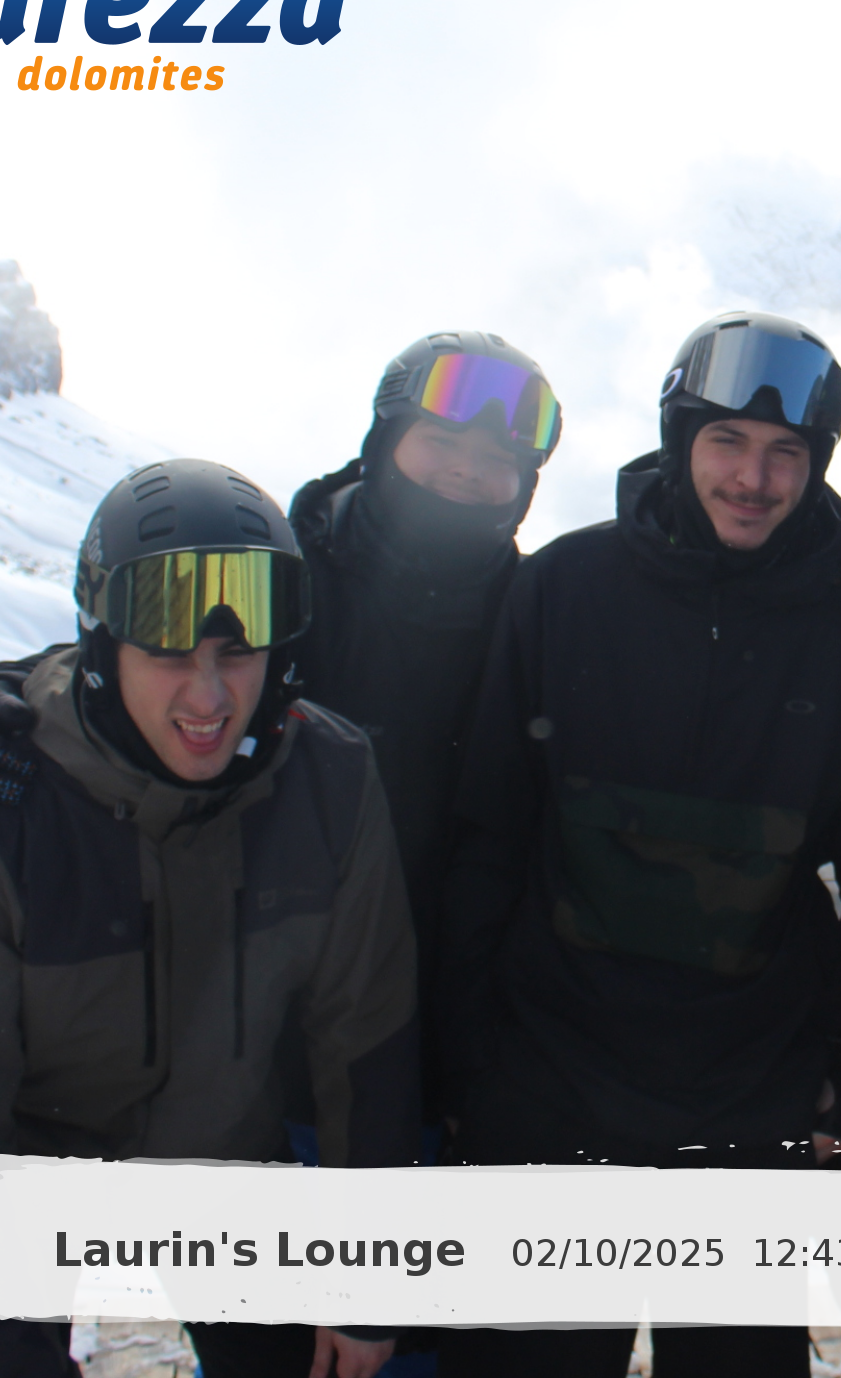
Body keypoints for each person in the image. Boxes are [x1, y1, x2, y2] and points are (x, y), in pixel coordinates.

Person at [436, 310, 841, 1378]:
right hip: (550, 1083)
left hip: (751, 1099)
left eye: (786, 452)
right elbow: (489, 835)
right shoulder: (563, 590)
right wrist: (464, 1062)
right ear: (679, 439)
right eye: (727, 442)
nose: (754, 479)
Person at [0, 460, 421, 1378]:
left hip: (224, 1164)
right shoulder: (5, 790)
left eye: (237, 655)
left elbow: (364, 1040)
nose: (209, 698)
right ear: (105, 652)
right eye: (170, 654)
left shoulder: (327, 778)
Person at [289, 331, 562, 1108]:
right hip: (260, 1025)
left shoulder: (539, 621)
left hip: (448, 1034)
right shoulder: (283, 581)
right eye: (441, 441)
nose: (468, 471)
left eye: (499, 459)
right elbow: (144, 668)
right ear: (384, 441)